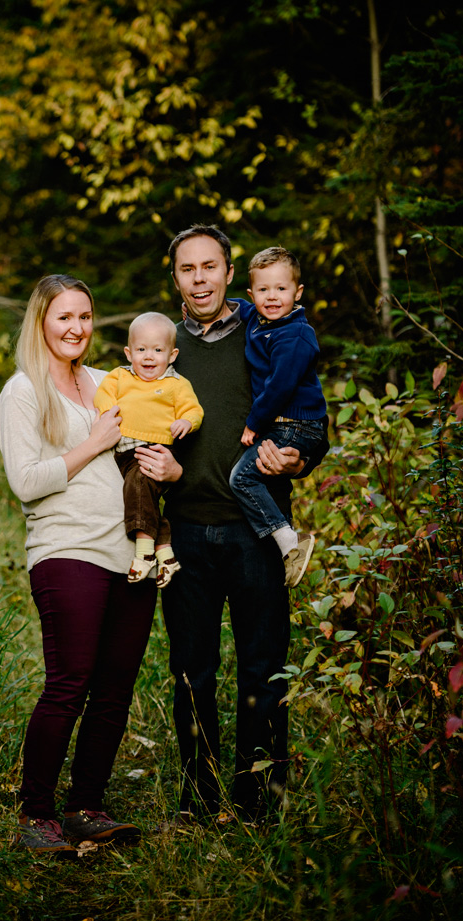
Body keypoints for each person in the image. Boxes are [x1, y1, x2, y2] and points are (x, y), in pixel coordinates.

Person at [133, 225, 321, 825]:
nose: (200, 278)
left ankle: (260, 802)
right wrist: (154, 463)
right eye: (187, 269)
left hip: (256, 533)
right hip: (185, 531)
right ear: (176, 279)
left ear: (229, 272)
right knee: (192, 672)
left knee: (263, 669)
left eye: (210, 266)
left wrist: (298, 457)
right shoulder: (161, 349)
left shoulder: (265, 331)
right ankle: (198, 797)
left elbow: (309, 414)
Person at [0, 274, 154, 855]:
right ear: (42, 321)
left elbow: (134, 454)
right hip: (66, 550)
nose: (77, 329)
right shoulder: (23, 392)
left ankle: (86, 806)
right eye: (64, 317)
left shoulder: (106, 382)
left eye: (85, 317)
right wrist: (93, 442)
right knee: (70, 682)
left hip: (128, 552)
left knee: (115, 688)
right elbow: (26, 482)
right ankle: (36, 816)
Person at [229, 246, 328, 588]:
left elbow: (280, 387)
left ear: (298, 292)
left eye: (281, 289)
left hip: (294, 425)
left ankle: (290, 543)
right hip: (286, 424)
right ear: (251, 293)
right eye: (263, 290)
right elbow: (242, 310)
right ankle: (285, 545)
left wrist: (254, 423)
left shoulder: (295, 335)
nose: (272, 297)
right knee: (255, 477)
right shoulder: (262, 320)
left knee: (241, 479)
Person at [92, 312, 205, 587]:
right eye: (141, 349)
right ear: (129, 353)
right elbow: (103, 394)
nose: (149, 356)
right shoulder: (119, 377)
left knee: (139, 483)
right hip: (123, 451)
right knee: (141, 499)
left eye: (157, 350)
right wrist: (107, 412)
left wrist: (186, 421)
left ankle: (143, 555)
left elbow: (194, 409)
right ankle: (166, 554)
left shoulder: (176, 385)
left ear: (172, 354)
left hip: (155, 451)